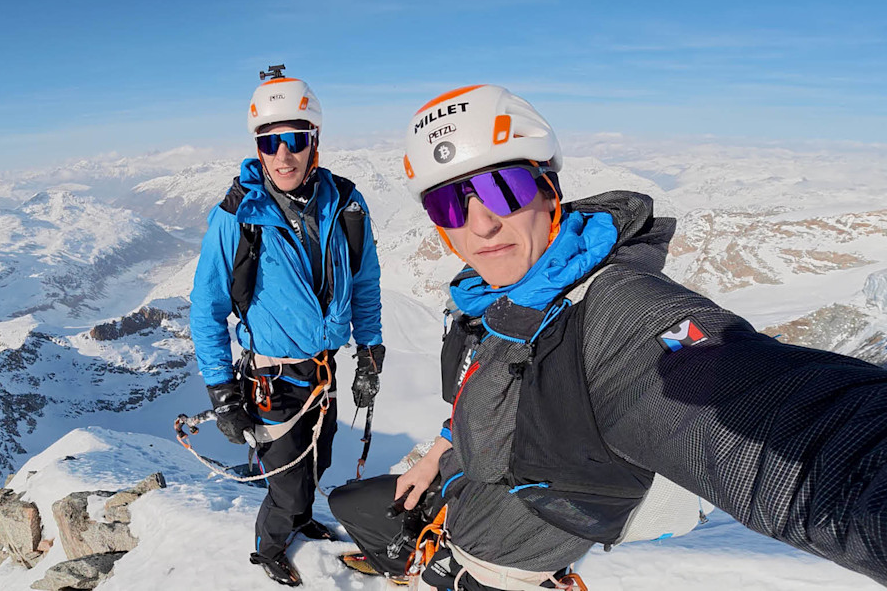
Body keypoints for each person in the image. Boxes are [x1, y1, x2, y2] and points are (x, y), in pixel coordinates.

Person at [329, 84, 887, 589]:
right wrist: (441, 451)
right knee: (354, 503)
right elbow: (502, 391)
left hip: (510, 563)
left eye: (504, 187)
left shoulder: (619, 310)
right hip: (474, 510)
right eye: (449, 203)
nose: (480, 224)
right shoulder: (495, 300)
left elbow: (763, 411)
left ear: (550, 188)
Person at [190, 66, 386, 586]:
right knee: (287, 483)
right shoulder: (238, 216)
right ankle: (269, 547)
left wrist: (369, 351)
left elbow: (365, 282)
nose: (284, 155)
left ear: (313, 141)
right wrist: (221, 391)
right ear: (258, 146)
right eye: (271, 141)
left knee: (317, 463)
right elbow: (206, 307)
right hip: (271, 379)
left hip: (322, 372)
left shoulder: (345, 203)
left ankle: (299, 523)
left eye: (294, 139)